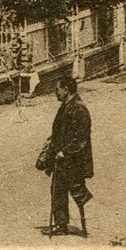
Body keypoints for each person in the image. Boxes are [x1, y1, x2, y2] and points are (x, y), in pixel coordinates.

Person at [45, 72, 94, 236]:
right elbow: (62, 131)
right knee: (57, 190)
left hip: (74, 159)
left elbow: (81, 139)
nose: (55, 93)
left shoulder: (78, 108)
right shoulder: (66, 106)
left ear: (66, 89)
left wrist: (64, 152)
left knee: (74, 190)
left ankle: (64, 224)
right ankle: (61, 224)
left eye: (57, 90)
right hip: (64, 158)